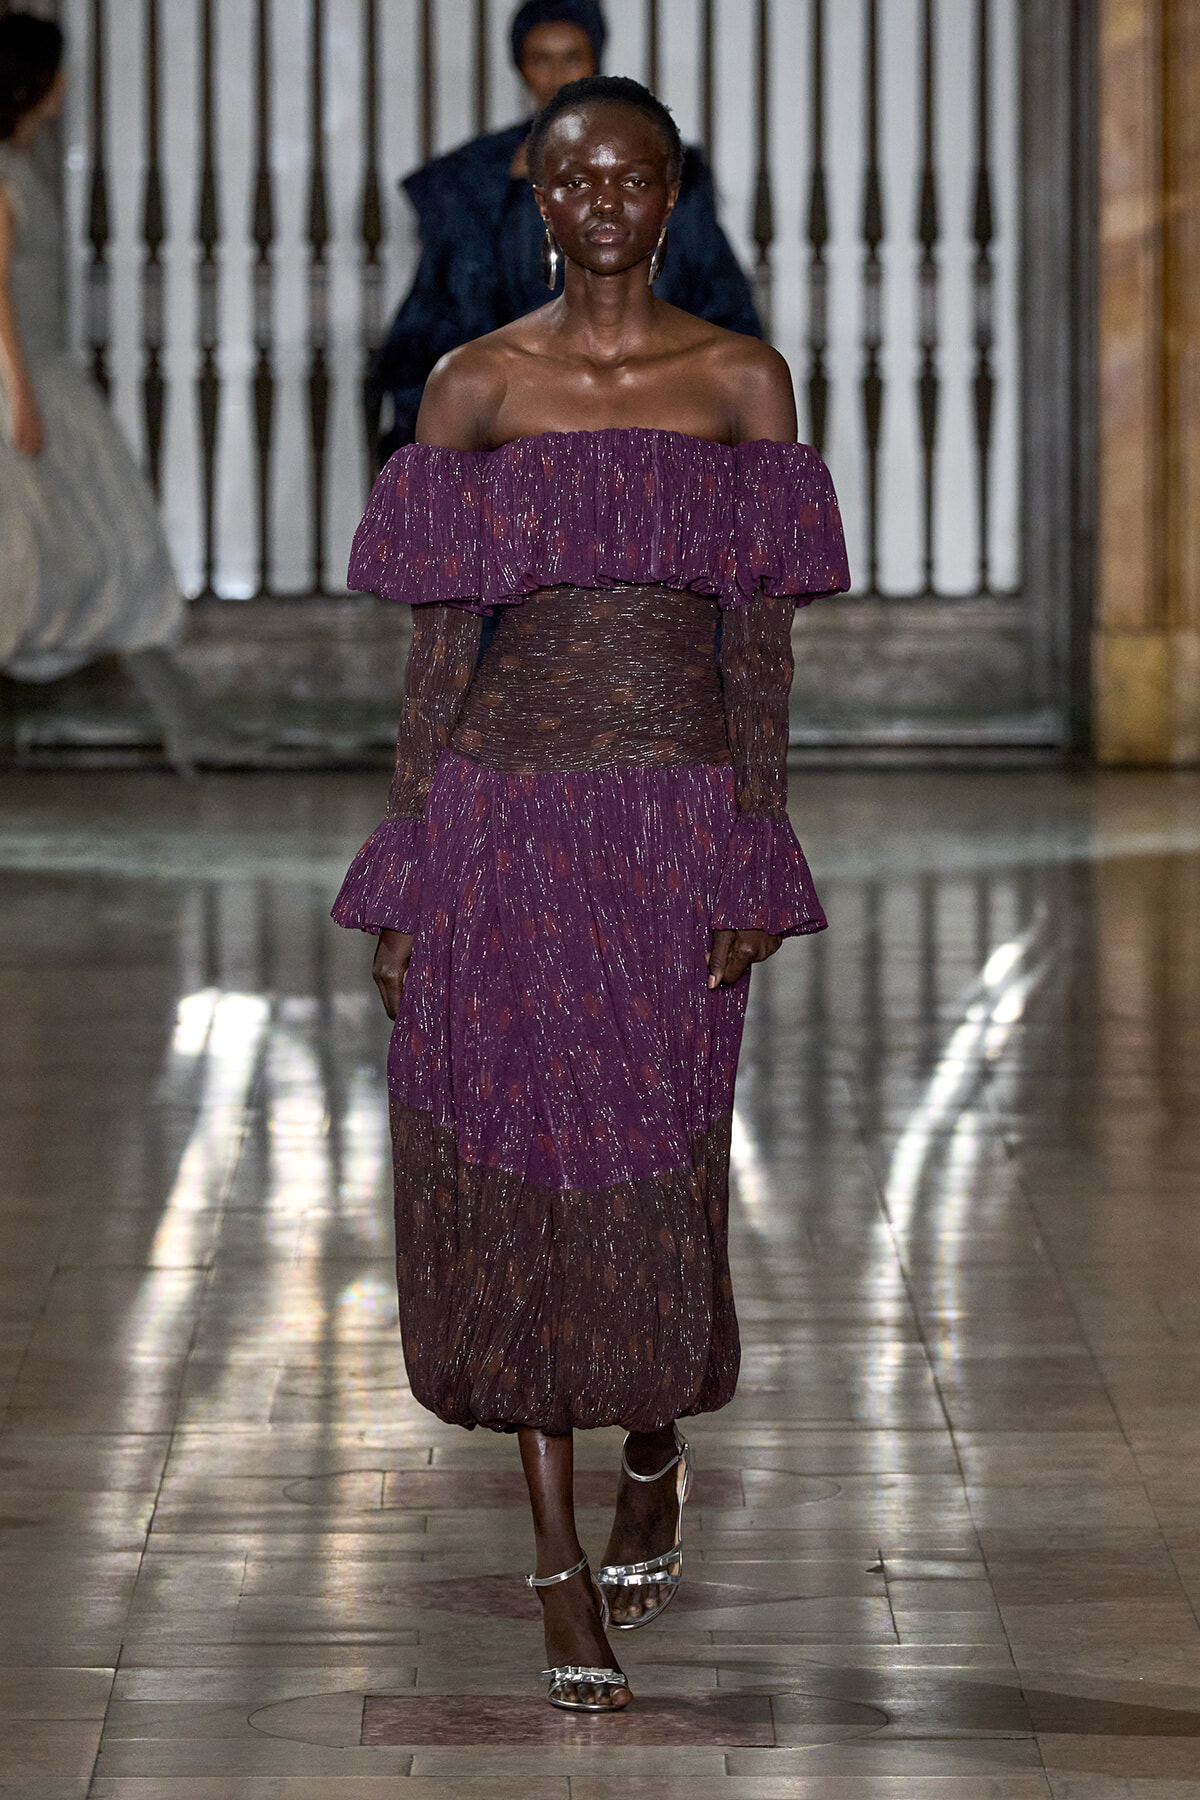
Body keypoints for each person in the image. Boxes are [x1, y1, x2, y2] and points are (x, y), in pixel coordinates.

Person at [333, 74, 849, 1712]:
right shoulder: (475, 386)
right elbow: (436, 663)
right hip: (502, 819)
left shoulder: (741, 379)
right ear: (540, 199)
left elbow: (760, 653)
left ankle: (654, 1439)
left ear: (672, 195)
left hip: (674, 829)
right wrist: (408, 870)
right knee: (514, 1166)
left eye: (634, 176)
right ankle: (554, 1557)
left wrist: (755, 843)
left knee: (656, 1163)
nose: (607, 200)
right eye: (577, 178)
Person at [372, 0, 761, 459]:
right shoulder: (469, 181)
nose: (557, 74)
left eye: (572, 57)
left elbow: (720, 304)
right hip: (508, 430)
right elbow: (435, 316)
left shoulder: (667, 173)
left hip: (653, 420)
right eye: (541, 59)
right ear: (521, 68)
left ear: (595, 58)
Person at [0, 13, 200, 772]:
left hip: (45, 376)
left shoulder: (24, 164)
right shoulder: (3, 173)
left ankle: (188, 723)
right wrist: (19, 396)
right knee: (36, 554)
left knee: (111, 544)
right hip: (23, 378)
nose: (65, 85)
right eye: (56, 70)